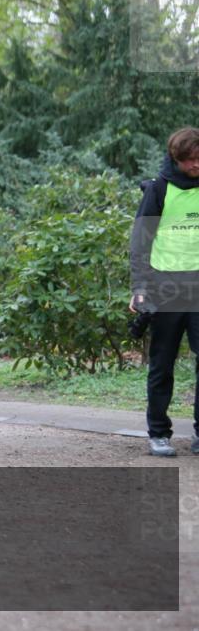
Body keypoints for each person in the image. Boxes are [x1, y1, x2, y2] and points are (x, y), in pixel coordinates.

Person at [129, 126, 199, 457]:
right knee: (162, 364)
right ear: (176, 158)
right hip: (166, 288)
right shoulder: (158, 189)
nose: (196, 165)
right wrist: (140, 288)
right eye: (191, 160)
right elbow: (140, 242)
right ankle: (158, 433)